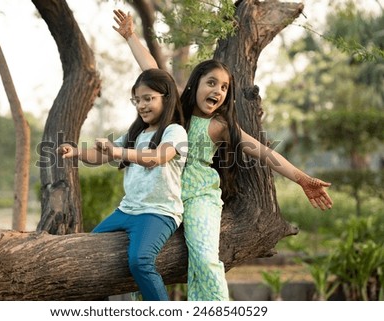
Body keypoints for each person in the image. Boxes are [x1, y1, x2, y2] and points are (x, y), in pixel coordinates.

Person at [112, 9, 334, 301]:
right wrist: (130, 36)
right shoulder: (176, 109)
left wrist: (303, 179)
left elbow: (265, 153)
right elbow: (152, 68)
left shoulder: (219, 126)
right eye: (212, 82)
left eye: (225, 87)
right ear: (195, 84)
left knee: (205, 259)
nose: (218, 90)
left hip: (199, 195)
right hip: (165, 196)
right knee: (124, 254)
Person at [58, 68, 188, 301]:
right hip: (126, 210)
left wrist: (117, 151)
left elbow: (157, 157)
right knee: (87, 252)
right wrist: (76, 152)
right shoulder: (135, 133)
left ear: (166, 98)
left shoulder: (174, 131)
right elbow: (101, 156)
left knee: (140, 260)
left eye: (149, 99)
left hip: (158, 212)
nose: (141, 105)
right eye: (137, 100)